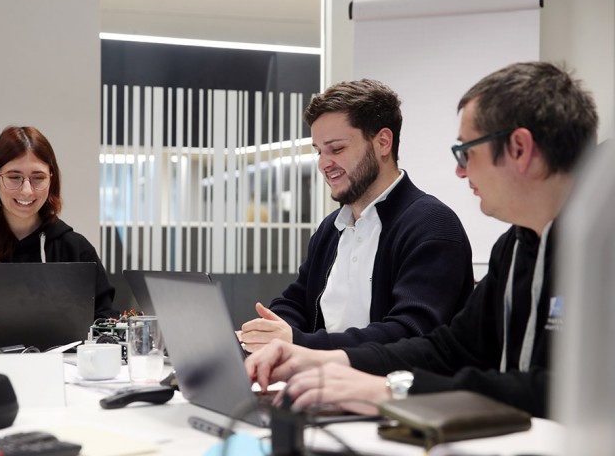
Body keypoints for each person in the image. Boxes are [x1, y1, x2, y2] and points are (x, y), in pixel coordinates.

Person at [244, 62, 599, 418]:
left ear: (519, 149)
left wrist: (389, 390)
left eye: (467, 152)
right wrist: (319, 359)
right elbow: (449, 350)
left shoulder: (601, 248)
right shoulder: (515, 245)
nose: (460, 170)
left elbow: (570, 390)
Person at [239, 79, 474, 351]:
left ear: (383, 142)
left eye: (336, 149)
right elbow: (297, 301)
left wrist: (298, 343)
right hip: (323, 373)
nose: (323, 164)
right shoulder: (332, 228)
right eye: (319, 151)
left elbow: (410, 333)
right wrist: (266, 332)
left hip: (391, 379)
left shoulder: (432, 225)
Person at [0, 125, 119, 335]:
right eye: (14, 177)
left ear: (51, 179)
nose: (26, 190)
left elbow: (105, 324)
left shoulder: (76, 250)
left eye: (38, 178)